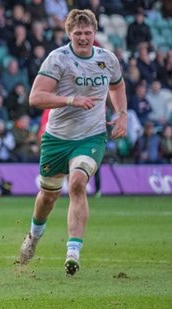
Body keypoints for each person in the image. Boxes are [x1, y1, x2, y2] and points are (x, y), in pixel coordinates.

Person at [17, 9, 128, 276]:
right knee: (48, 196)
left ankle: (73, 251)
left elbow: (117, 86)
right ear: (69, 34)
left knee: (78, 182)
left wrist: (122, 114)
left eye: (88, 32)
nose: (83, 37)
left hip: (91, 136)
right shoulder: (58, 59)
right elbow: (36, 97)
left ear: (94, 33)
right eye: (78, 33)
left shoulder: (107, 59)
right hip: (57, 138)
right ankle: (33, 237)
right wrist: (70, 100)